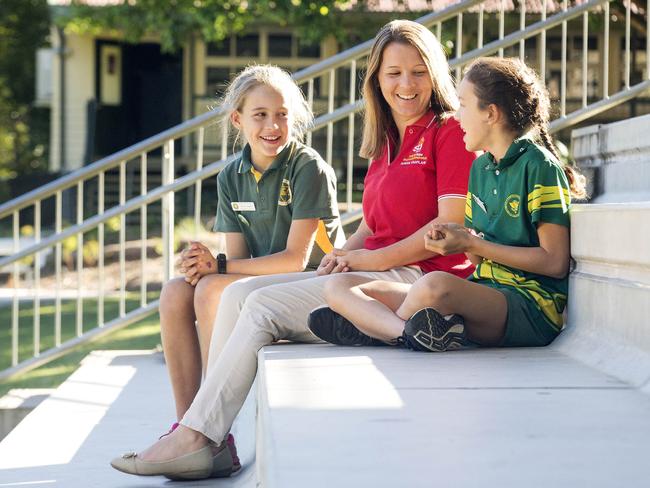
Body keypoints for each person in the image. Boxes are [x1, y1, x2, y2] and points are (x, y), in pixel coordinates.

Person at [110, 19, 476, 480]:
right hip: (367, 272)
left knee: (259, 305)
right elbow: (375, 227)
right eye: (393, 73)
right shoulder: (386, 142)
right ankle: (206, 434)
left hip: (419, 279)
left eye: (418, 72)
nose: (406, 84)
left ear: (435, 75)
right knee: (239, 296)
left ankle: (198, 437)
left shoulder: (447, 131)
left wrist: (367, 259)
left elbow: (449, 227)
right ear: (376, 80)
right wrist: (346, 253)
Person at [141, 64, 345, 478]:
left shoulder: (307, 167)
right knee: (177, 292)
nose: (273, 125)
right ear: (238, 119)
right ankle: (189, 427)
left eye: (283, 115)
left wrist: (218, 268)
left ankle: (216, 436)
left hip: (313, 283)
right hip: (265, 282)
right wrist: (204, 265)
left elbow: (293, 259)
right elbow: (235, 258)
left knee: (211, 289)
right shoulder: (231, 175)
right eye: (261, 115)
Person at [310, 56, 586, 353]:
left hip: (529, 306)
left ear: (490, 114)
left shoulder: (539, 167)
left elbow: (555, 263)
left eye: (463, 105)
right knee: (338, 287)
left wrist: (472, 244)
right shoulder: (481, 169)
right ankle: (405, 332)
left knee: (433, 285)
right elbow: (480, 262)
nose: (456, 116)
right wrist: (460, 243)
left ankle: (376, 329)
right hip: (484, 291)